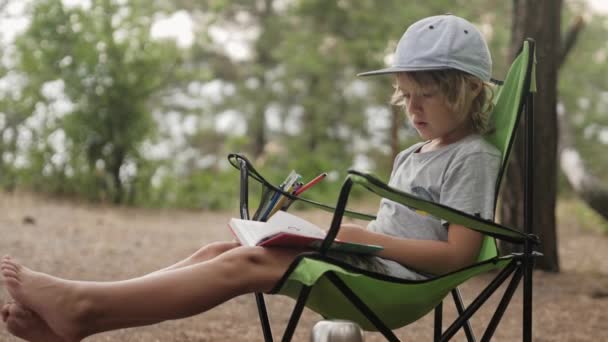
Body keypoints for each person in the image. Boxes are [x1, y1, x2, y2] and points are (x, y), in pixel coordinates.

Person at [1, 14, 500, 342]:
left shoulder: (472, 157)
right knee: (221, 253)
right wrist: (354, 239)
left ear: (471, 91)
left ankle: (84, 307)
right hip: (367, 263)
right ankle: (88, 314)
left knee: (245, 264)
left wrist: (363, 239)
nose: (411, 108)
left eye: (426, 96)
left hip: (392, 284)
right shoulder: (418, 151)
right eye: (405, 94)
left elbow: (460, 256)